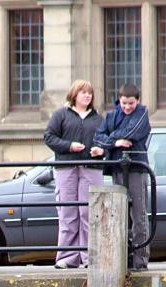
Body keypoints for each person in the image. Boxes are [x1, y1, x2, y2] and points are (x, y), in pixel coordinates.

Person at [44, 79, 104, 269]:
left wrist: (100, 150)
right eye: (83, 92)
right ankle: (66, 257)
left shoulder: (98, 119)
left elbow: (106, 141)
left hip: (91, 169)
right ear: (74, 95)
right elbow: (49, 137)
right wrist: (69, 146)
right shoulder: (61, 114)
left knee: (89, 212)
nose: (87, 95)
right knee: (68, 213)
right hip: (66, 169)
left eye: (90, 93)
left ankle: (89, 257)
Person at [93, 83, 151, 270]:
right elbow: (98, 137)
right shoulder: (111, 115)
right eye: (124, 103)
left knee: (139, 215)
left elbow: (132, 132)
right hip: (117, 168)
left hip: (136, 168)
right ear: (119, 100)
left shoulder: (142, 113)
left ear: (138, 101)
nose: (127, 107)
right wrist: (116, 142)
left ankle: (140, 260)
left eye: (131, 104)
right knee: (119, 214)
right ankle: (122, 257)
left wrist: (109, 141)